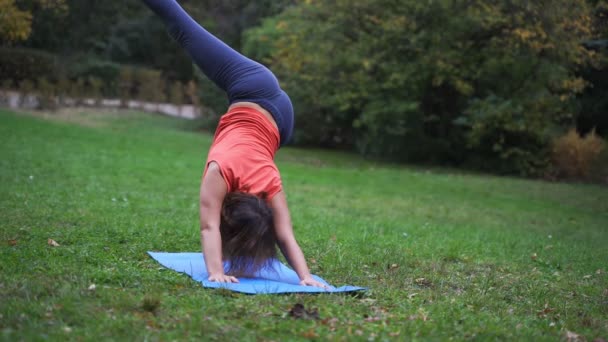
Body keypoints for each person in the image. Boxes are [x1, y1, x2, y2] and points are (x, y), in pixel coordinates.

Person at [142, 0, 326, 288]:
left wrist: (306, 276)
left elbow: (283, 233)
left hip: (281, 129)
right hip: (255, 89)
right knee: (182, 29)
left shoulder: (268, 182)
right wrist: (215, 271)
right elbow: (209, 225)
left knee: (182, 30)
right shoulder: (220, 172)